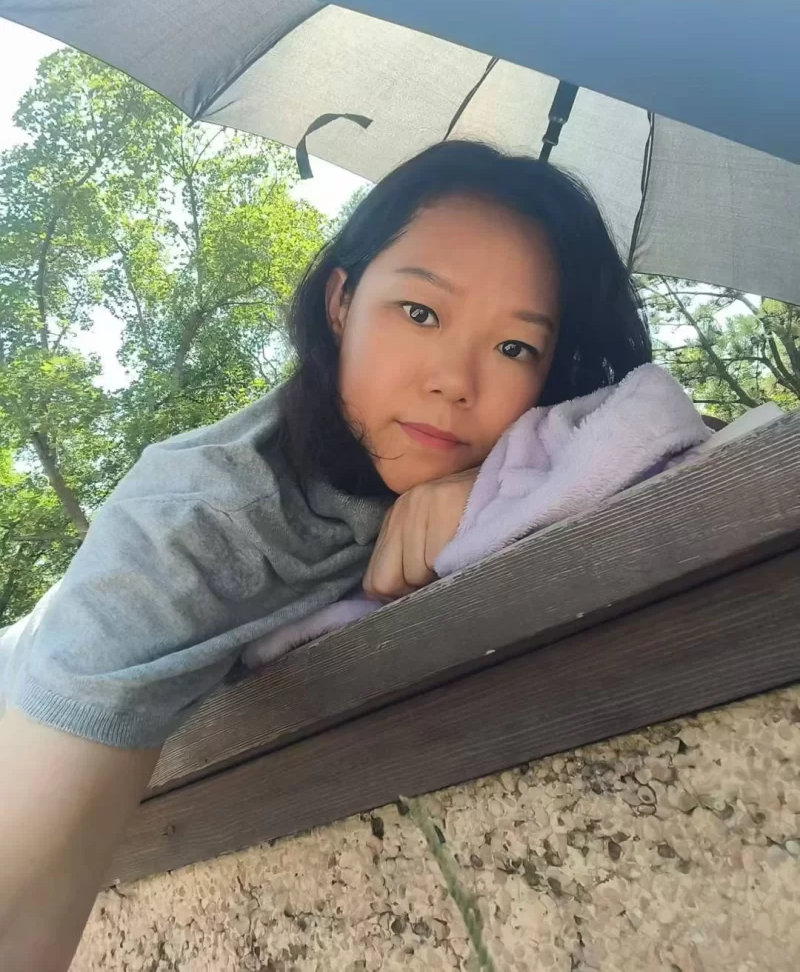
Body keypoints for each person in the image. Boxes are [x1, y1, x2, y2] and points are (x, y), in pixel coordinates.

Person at [0, 139, 651, 970]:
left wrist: (498, 478)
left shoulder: (496, 448)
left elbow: (667, 424)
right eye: (421, 312)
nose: (456, 380)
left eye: (514, 347)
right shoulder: (189, 526)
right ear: (342, 302)